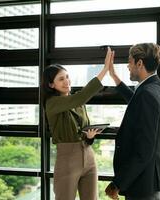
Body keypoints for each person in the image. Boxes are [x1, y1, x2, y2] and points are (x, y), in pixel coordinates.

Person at [42, 48, 113, 200]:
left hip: (88, 156)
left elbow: (82, 128)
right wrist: (105, 70)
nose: (67, 81)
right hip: (67, 159)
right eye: (61, 79)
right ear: (51, 84)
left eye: (67, 77)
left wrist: (90, 136)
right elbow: (81, 97)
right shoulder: (52, 103)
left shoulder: (78, 103)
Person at [105, 43, 160, 200]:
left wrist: (117, 183)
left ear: (139, 63)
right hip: (152, 178)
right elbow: (137, 103)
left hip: (143, 183)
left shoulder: (146, 94)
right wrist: (114, 76)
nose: (128, 66)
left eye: (130, 61)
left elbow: (144, 151)